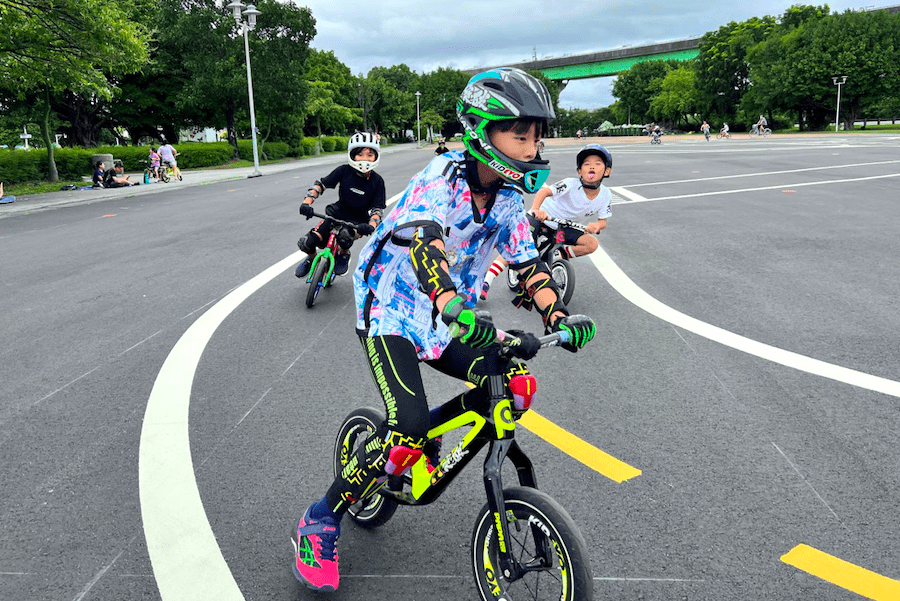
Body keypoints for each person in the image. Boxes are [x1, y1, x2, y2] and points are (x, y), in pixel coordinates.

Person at [291, 67, 595, 593]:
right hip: (392, 310)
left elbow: (529, 266)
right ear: (481, 132)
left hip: (446, 316)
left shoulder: (504, 199)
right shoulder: (441, 177)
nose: (532, 147)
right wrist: (453, 304)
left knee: (514, 381)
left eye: (537, 136)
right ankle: (321, 517)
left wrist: (556, 316)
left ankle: (418, 444)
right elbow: (427, 244)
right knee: (406, 425)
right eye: (519, 135)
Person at [481, 143, 613, 300]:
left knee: (591, 244)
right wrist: (536, 209)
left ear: (607, 171)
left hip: (564, 227)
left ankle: (557, 258)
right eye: (587, 164)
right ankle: (486, 281)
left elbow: (603, 221)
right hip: (543, 219)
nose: (592, 167)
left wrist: (597, 225)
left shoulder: (605, 194)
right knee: (519, 245)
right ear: (579, 171)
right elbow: (544, 191)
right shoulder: (570, 184)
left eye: (598, 164)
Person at [295, 132, 386, 278]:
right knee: (306, 242)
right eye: (360, 154)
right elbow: (321, 185)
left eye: (369, 155)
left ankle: (344, 254)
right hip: (336, 213)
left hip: (357, 222)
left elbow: (377, 209)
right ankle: (311, 259)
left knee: (344, 237)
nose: (364, 159)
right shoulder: (344, 171)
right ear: (352, 154)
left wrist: (371, 226)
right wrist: (307, 203)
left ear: (376, 156)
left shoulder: (377, 181)